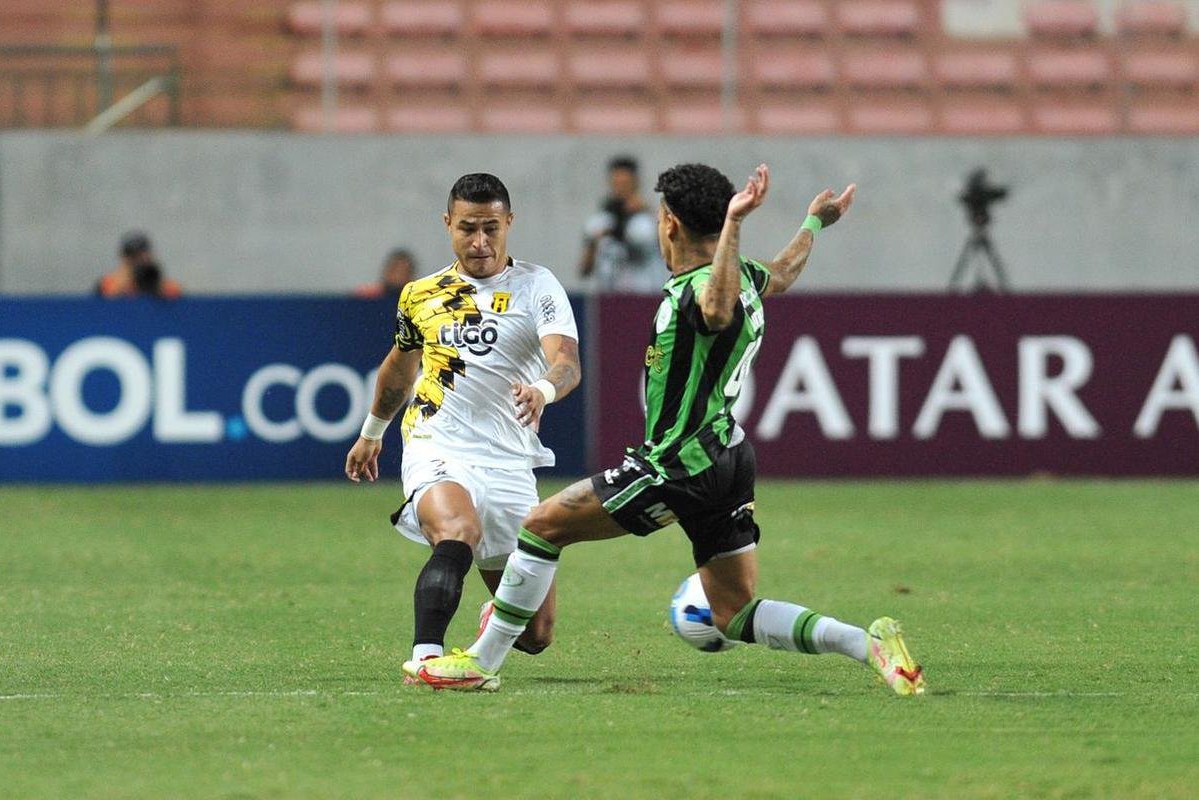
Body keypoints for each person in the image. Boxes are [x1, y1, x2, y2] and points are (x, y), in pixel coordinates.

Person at [411, 163, 926, 696]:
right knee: (731, 612)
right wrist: (813, 223)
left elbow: (716, 312)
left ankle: (480, 662)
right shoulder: (743, 276)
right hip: (728, 456)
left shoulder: (701, 288)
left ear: (670, 223)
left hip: (677, 462)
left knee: (542, 526)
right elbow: (784, 271)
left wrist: (735, 223)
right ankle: (867, 643)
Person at [344, 173, 581, 681]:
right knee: (457, 532)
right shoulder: (420, 294)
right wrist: (372, 432)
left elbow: (566, 362)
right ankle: (426, 656)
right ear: (448, 224)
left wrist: (542, 390)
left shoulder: (537, 285)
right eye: (467, 228)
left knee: (536, 635)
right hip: (438, 442)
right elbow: (399, 368)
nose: (479, 242)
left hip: (510, 459)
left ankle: (495, 616)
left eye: (491, 228)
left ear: (509, 223)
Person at [578, 156, 666, 294]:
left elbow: (668, 252)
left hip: (645, 296)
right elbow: (584, 270)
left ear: (635, 183)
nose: (620, 190)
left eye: (625, 184)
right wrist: (595, 241)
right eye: (616, 184)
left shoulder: (647, 222)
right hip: (610, 297)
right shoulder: (600, 222)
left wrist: (647, 210)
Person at [95, 231, 182, 299]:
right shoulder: (107, 284)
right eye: (133, 257)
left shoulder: (162, 284)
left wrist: (157, 286)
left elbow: (179, 304)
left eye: (142, 256)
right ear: (124, 258)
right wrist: (122, 285)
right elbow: (99, 307)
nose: (137, 262)